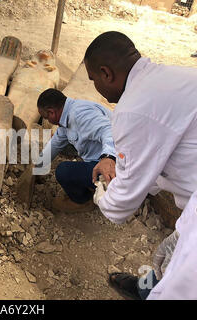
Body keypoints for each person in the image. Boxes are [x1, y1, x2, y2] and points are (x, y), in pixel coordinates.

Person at [84, 31, 197, 299]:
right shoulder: (174, 77)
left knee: (177, 290)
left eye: (93, 80)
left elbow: (121, 204)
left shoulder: (132, 109)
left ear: (106, 73)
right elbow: (166, 157)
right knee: (173, 259)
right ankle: (146, 289)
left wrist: (103, 194)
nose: (95, 88)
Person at [35, 88, 116, 214]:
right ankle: (93, 183)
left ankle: (82, 201)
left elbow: (110, 132)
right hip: (107, 158)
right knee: (67, 148)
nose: (48, 120)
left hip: (117, 163)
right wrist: (38, 165)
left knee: (63, 171)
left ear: (51, 113)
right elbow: (56, 142)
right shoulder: (67, 116)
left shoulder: (80, 115)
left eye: (46, 117)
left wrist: (108, 157)